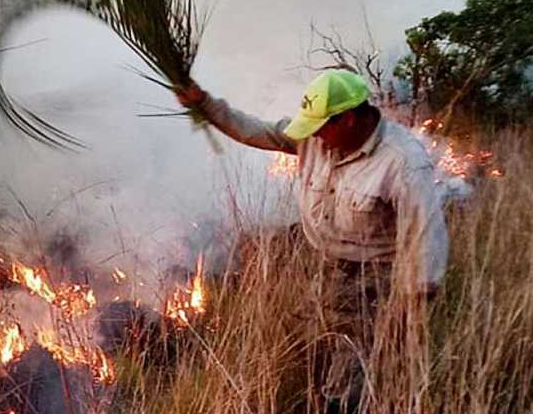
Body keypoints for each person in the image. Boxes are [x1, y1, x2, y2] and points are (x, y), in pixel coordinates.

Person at [177, 69, 448, 412]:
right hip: (324, 268)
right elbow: (254, 131)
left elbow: (426, 239)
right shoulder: (314, 137)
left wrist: (408, 311)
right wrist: (205, 105)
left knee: (350, 380)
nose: (314, 136)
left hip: (376, 282)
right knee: (308, 355)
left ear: (348, 119)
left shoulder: (402, 162)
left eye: (321, 126)